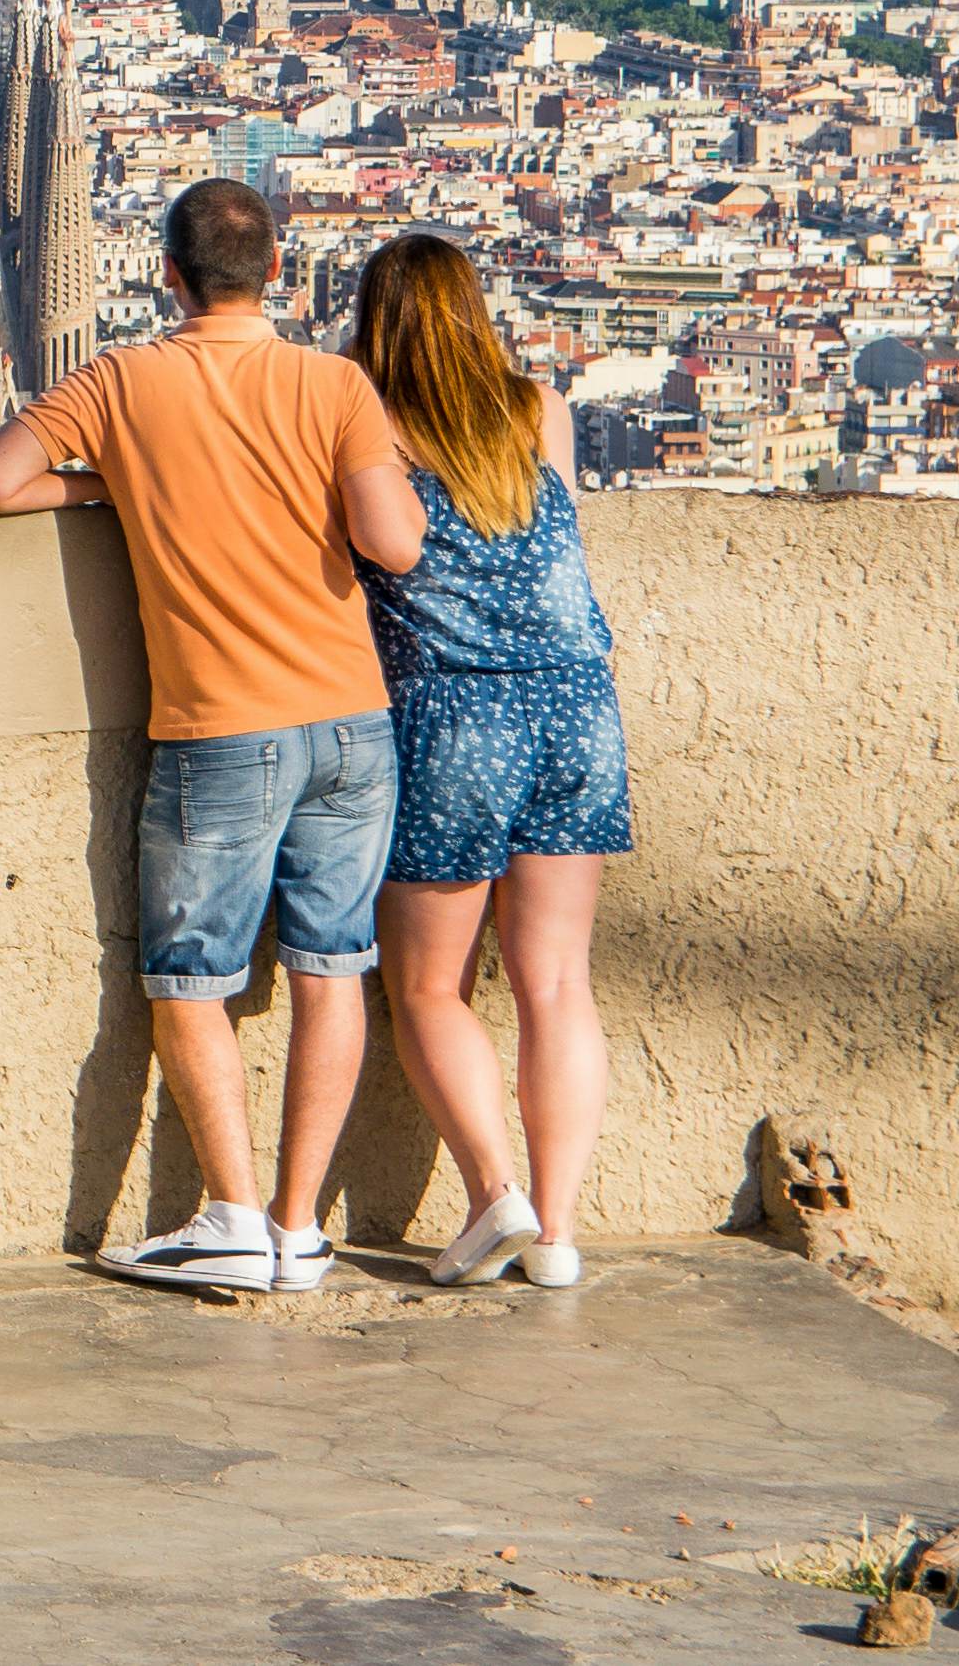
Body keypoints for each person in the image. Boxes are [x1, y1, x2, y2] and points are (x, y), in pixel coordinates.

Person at [0, 177, 425, 1293]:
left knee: (188, 977)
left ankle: (229, 1216)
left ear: (166, 273)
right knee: (330, 969)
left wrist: (104, 486)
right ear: (275, 272)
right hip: (352, 720)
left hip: (221, 728)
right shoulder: (333, 383)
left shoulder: (122, 379)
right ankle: (300, 1227)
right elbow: (393, 546)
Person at [344, 231, 621, 1291]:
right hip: (576, 705)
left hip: (453, 712)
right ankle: (554, 1234)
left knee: (424, 986)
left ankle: (490, 1194)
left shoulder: (365, 423)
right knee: (555, 981)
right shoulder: (534, 406)